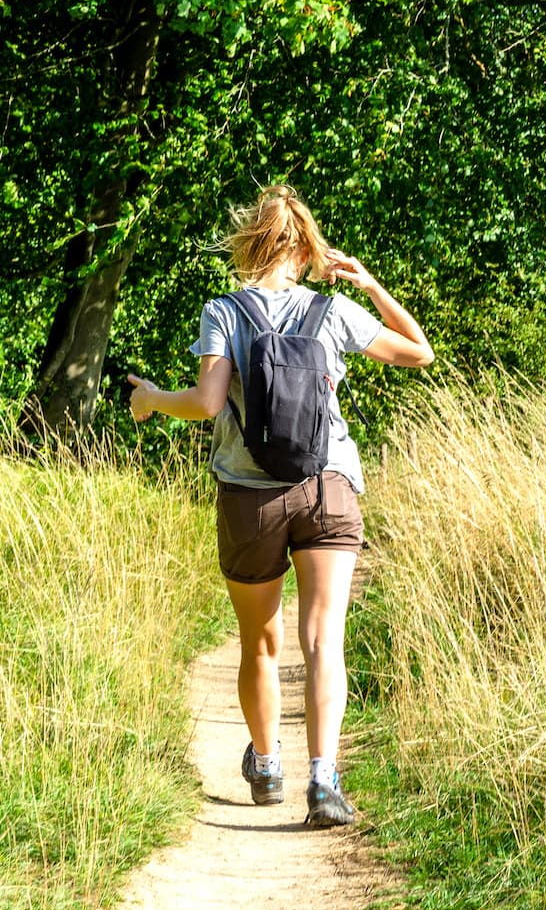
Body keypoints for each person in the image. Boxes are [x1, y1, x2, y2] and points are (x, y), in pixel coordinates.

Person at [128, 185, 433, 827]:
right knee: (324, 640)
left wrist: (155, 397)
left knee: (259, 642)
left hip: (249, 497)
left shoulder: (225, 311)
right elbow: (418, 352)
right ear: (305, 251)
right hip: (327, 488)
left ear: (249, 245)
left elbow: (208, 403)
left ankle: (267, 765)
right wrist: (371, 284)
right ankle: (323, 781)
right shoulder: (331, 311)